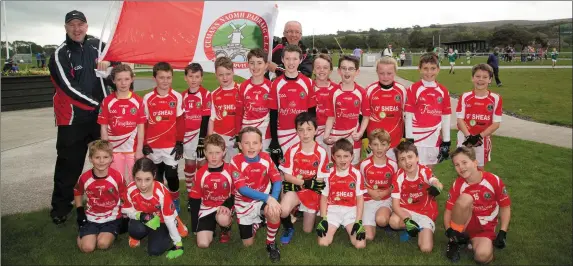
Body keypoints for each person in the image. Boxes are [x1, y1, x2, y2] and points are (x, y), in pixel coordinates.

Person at [49, 9, 115, 224]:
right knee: (69, 165)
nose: (77, 29)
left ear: (87, 26)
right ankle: (60, 208)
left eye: (80, 24)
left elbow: (119, 71)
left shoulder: (99, 45)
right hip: (73, 120)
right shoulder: (60, 54)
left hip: (100, 120)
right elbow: (68, 88)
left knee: (106, 161)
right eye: (72, 25)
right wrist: (99, 105)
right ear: (66, 28)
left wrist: (111, 72)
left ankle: (109, 200)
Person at [444, 147, 511, 263]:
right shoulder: (458, 184)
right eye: (457, 165)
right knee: (465, 198)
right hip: (465, 223)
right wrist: (449, 231)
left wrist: (503, 232)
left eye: (464, 162)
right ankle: (454, 241)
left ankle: (471, 243)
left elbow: (505, 207)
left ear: (475, 163)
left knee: (482, 257)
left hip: (486, 228)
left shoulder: (494, 180)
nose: (461, 167)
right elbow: (448, 211)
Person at [231, 127, 283, 262]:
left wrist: (273, 200)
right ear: (240, 146)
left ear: (261, 145)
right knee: (247, 244)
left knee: (273, 211)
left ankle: (270, 243)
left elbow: (277, 180)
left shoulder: (266, 158)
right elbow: (242, 189)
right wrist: (268, 198)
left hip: (262, 201)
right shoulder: (235, 161)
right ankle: (258, 223)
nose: (251, 146)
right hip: (244, 204)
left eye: (255, 143)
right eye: (246, 143)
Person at [122, 157, 188, 259]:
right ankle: (136, 236)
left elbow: (168, 219)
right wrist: (139, 215)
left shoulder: (161, 192)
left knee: (154, 251)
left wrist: (178, 243)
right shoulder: (130, 189)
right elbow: (126, 210)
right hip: (143, 218)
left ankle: (177, 222)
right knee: (135, 230)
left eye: (147, 179)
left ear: (154, 175)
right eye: (138, 179)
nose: (143, 185)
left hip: (162, 219)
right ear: (133, 176)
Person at [279, 112, 329, 244]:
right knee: (282, 211)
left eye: (309, 129)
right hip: (296, 188)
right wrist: (305, 182)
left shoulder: (322, 152)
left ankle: (297, 211)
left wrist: (308, 185)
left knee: (307, 230)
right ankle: (289, 227)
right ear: (296, 132)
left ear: (316, 131)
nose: (305, 134)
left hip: (311, 193)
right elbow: (287, 176)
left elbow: (320, 181)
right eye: (301, 130)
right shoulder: (292, 150)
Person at [142, 62, 185, 213]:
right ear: (155, 78)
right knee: (157, 176)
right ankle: (159, 201)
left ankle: (175, 200)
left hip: (170, 146)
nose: (165, 81)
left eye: (168, 77)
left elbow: (180, 121)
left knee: (172, 176)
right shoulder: (148, 98)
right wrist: (144, 143)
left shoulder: (177, 97)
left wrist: (180, 142)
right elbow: (144, 123)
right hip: (153, 147)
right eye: (162, 77)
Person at [389, 141, 444, 253]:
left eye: (410, 157)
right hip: (407, 210)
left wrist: (437, 187)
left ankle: (419, 229)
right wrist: (407, 220)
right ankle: (410, 227)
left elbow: (436, 182)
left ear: (417, 158)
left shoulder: (424, 171)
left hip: (425, 213)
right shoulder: (398, 177)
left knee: (426, 249)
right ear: (398, 162)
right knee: (393, 222)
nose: (407, 162)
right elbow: (395, 205)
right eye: (402, 159)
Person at [73, 140, 126, 253]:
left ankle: (105, 233)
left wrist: (126, 213)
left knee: (103, 244)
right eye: (97, 157)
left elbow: (124, 195)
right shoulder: (84, 177)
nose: (101, 161)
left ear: (111, 158)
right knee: (87, 248)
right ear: (91, 159)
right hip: (91, 217)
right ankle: (83, 233)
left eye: (105, 157)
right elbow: (77, 191)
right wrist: (80, 211)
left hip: (112, 218)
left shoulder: (117, 177)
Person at [268, 44, 316, 166]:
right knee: (284, 168)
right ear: (282, 60)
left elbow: (311, 113)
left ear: (300, 60)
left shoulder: (308, 82)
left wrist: (311, 134)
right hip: (283, 134)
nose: (291, 62)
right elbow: (273, 114)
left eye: (295, 59)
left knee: (302, 166)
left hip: (303, 133)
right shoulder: (275, 84)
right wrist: (274, 140)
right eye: (288, 59)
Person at [98, 64, 145, 184]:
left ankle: (132, 202)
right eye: (119, 79)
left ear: (132, 79)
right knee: (116, 179)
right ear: (113, 81)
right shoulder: (107, 101)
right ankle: (118, 202)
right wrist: (106, 148)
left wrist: (139, 149)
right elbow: (103, 126)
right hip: (114, 149)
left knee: (134, 179)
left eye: (127, 79)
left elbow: (141, 127)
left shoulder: (138, 101)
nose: (123, 83)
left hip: (132, 149)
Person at [316, 138, 367, 249]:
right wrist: (323, 218)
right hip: (333, 210)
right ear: (333, 157)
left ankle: (349, 226)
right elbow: (324, 197)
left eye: (346, 156)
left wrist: (358, 221)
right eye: (338, 156)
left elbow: (360, 199)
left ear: (352, 156)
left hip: (350, 211)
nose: (342, 160)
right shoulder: (329, 173)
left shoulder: (356, 174)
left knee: (360, 245)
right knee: (323, 243)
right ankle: (332, 225)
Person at [404, 53, 452, 169]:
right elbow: (408, 116)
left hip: (434, 139)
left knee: (429, 173)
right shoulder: (413, 89)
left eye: (433, 68)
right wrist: (409, 139)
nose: (429, 72)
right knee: (413, 172)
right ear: (419, 69)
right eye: (425, 68)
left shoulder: (443, 90)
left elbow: (446, 117)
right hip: (416, 139)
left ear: (438, 70)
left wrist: (446, 141)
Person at [188, 134, 236, 247]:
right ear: (205, 153)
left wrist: (227, 205)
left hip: (224, 207)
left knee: (223, 219)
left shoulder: (231, 170)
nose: (214, 157)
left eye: (218, 153)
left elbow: (236, 193)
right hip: (207, 208)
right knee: (202, 244)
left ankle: (225, 229)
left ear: (224, 152)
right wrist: (195, 225)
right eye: (210, 153)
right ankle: (210, 227)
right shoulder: (200, 173)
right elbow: (194, 199)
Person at [324, 55, 370, 167]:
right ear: (339, 71)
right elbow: (330, 117)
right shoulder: (333, 92)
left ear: (357, 71)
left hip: (353, 137)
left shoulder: (361, 92)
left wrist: (360, 133)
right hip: (336, 136)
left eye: (350, 69)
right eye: (344, 68)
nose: (347, 72)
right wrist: (326, 136)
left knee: (353, 167)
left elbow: (366, 116)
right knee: (335, 167)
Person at [456, 64, 502, 170]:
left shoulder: (496, 98)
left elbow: (496, 123)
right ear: (472, 78)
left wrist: (479, 137)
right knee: (462, 167)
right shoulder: (465, 96)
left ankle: (477, 187)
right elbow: (460, 119)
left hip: (482, 139)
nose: (481, 79)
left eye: (485, 77)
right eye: (477, 76)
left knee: (479, 168)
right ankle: (463, 187)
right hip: (464, 136)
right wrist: (469, 137)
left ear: (490, 80)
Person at [359, 129, 398, 241]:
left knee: (381, 220)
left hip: (385, 200)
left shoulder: (393, 165)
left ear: (389, 146)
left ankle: (384, 217)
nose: (379, 148)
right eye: (375, 144)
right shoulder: (364, 164)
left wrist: (386, 192)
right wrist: (370, 191)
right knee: (368, 237)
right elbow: (359, 183)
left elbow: (395, 185)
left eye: (383, 144)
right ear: (370, 146)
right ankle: (367, 219)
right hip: (368, 200)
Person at [364, 57, 407, 161]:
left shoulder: (402, 91)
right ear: (377, 72)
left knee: (395, 174)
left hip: (396, 142)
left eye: (389, 73)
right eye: (382, 73)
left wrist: (406, 139)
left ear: (395, 72)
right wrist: (365, 141)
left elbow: (406, 117)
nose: (385, 77)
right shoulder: (369, 90)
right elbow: (363, 117)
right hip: (374, 144)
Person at [181, 63, 211, 204]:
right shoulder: (182, 97)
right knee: (189, 166)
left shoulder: (206, 94)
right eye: (191, 76)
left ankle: (203, 194)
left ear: (201, 78)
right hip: (187, 138)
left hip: (200, 137)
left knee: (202, 165)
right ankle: (191, 195)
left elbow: (205, 119)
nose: (194, 79)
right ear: (185, 78)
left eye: (197, 76)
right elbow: (180, 121)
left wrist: (202, 140)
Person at [236, 48, 272, 152]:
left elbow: (274, 113)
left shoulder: (271, 86)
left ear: (266, 65)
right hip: (246, 133)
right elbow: (239, 113)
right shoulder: (243, 86)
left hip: (265, 135)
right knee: (247, 164)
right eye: (252, 63)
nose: (255, 67)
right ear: (248, 64)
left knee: (263, 164)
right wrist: (238, 134)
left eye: (259, 63)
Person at [207, 56, 240, 162]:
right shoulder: (213, 94)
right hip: (220, 138)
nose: (225, 78)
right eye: (221, 75)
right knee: (221, 170)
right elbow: (211, 119)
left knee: (236, 169)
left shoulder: (241, 90)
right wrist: (210, 141)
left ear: (233, 72)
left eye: (228, 74)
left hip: (237, 138)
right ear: (216, 75)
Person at [312, 53, 337, 156]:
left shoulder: (337, 89)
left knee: (331, 163)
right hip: (313, 132)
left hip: (332, 131)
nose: (321, 70)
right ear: (313, 70)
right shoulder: (308, 87)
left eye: (325, 68)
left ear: (330, 70)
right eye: (318, 67)